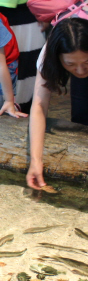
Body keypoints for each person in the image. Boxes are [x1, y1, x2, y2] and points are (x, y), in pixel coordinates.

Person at [26, 18, 88, 189]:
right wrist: (36, 160)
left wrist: (78, 63)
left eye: (86, 63)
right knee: (82, 116)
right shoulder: (48, 55)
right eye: (70, 64)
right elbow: (39, 106)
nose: (80, 70)